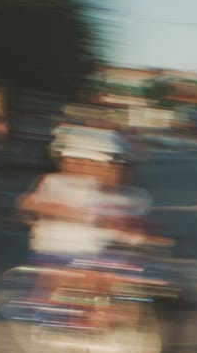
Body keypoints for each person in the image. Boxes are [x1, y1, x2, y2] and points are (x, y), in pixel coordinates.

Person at [16, 123, 153, 297]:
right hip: (62, 253)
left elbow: (135, 225)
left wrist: (140, 235)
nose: (116, 172)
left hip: (109, 255)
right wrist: (78, 215)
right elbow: (29, 204)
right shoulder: (56, 184)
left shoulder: (129, 195)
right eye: (110, 165)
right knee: (59, 279)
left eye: (120, 166)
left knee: (135, 278)